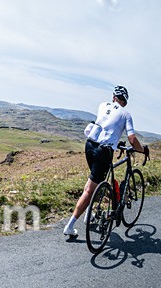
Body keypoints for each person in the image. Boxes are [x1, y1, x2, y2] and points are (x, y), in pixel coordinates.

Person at [63, 85, 148, 237]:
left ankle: (89, 212)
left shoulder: (102, 105)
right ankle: (70, 226)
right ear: (125, 101)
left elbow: (107, 124)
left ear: (114, 97)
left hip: (89, 146)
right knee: (90, 189)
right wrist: (142, 150)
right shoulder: (126, 114)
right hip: (103, 151)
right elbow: (132, 139)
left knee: (94, 181)